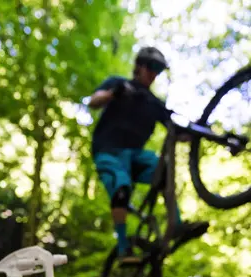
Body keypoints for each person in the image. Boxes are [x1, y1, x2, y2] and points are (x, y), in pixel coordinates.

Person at [89, 46, 208, 262]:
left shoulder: (154, 103)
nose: (154, 74)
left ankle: (177, 226)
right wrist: (114, 93)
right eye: (151, 68)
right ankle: (124, 248)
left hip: (136, 156)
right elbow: (93, 101)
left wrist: (204, 133)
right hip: (108, 151)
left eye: (158, 70)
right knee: (121, 186)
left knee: (164, 172)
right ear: (139, 66)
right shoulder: (118, 83)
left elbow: (177, 131)